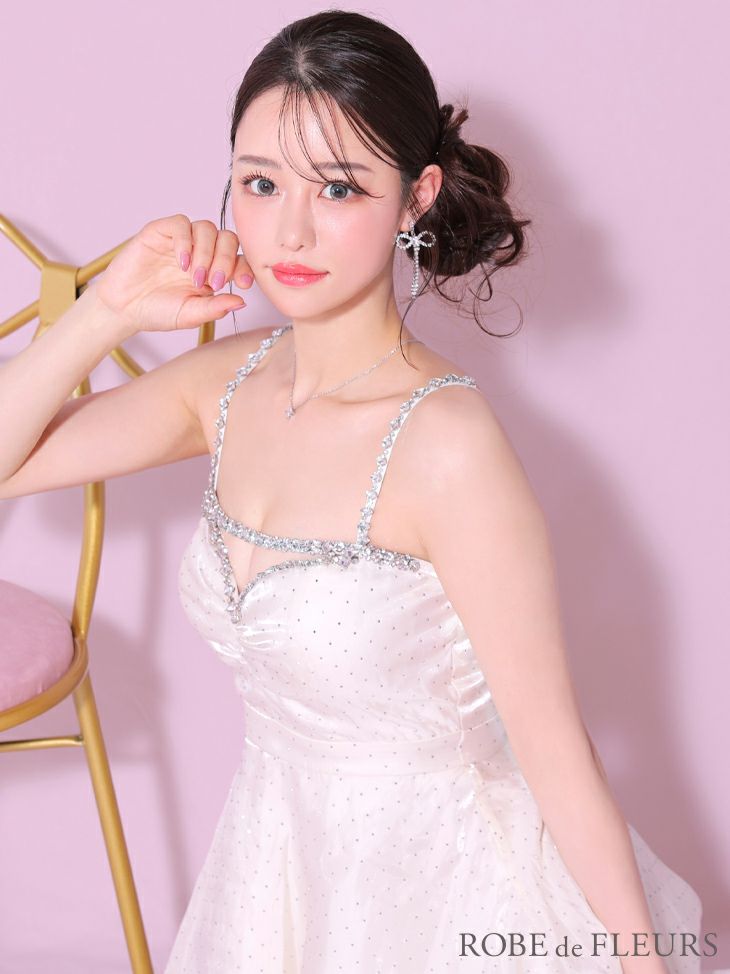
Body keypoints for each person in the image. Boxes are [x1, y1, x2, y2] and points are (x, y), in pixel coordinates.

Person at [0, 10, 710, 974]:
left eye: (339, 187)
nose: (290, 230)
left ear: (417, 196)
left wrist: (642, 962)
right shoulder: (229, 385)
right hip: (278, 879)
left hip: (447, 896)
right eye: (260, 183)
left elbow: (556, 749)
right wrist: (107, 311)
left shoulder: (448, 448)